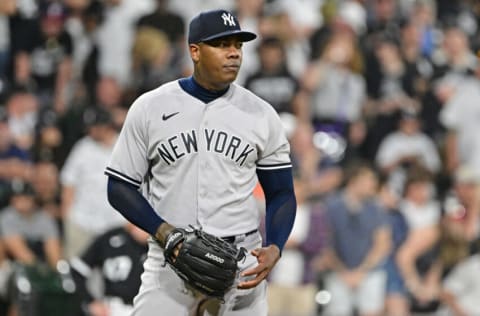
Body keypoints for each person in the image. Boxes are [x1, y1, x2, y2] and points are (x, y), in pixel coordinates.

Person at [104, 8, 296, 316]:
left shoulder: (261, 114)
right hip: (171, 261)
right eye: (222, 45)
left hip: (241, 261)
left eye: (238, 45)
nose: (233, 53)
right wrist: (165, 232)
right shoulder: (151, 107)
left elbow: (282, 193)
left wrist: (275, 246)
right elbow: (119, 187)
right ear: (195, 51)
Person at [69, 222, 148, 316]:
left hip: (150, 307)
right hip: (115, 308)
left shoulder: (161, 243)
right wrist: (90, 301)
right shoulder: (109, 239)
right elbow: (77, 270)